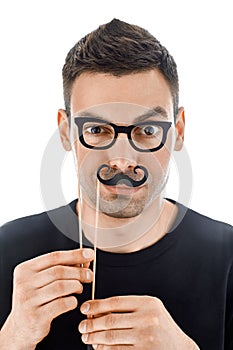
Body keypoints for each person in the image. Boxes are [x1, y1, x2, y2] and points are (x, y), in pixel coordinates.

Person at [0, 18, 232, 350]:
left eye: (148, 130)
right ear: (67, 132)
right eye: (96, 129)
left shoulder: (227, 258)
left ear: (178, 131)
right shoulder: (8, 250)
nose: (122, 159)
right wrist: (12, 338)